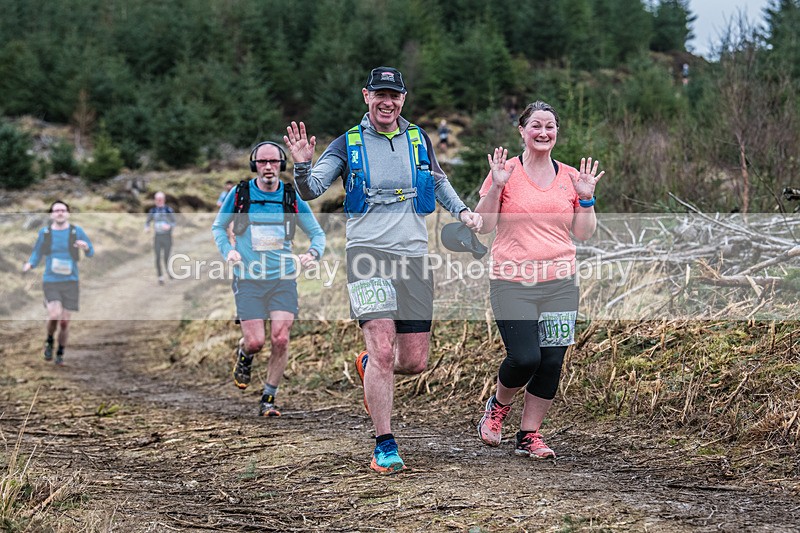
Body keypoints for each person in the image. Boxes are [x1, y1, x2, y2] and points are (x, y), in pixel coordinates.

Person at [284, 66, 482, 474]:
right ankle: (384, 443)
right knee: (383, 349)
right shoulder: (347, 143)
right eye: (380, 94)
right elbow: (310, 189)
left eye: (394, 95)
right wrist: (302, 165)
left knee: (413, 361)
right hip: (367, 256)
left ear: (403, 99)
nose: (387, 102)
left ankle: (369, 367)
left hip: (413, 256)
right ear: (366, 96)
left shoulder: (418, 139)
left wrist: (462, 211)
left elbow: (439, 181)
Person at [474, 100, 605, 459]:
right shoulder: (505, 171)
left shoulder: (569, 177)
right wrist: (497, 188)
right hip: (511, 279)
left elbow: (585, 233)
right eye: (536, 126)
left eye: (550, 126)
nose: (543, 132)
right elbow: (483, 226)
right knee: (525, 357)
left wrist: (587, 198)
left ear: (557, 132)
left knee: (551, 362)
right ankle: (497, 407)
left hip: (560, 282)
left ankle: (529, 435)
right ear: (522, 131)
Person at [212, 140, 326, 417]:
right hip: (248, 278)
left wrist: (312, 254)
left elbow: (317, 234)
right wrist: (229, 252)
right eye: (262, 162)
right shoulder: (240, 194)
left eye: (273, 162)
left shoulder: (290, 196)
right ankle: (244, 354)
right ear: (254, 165)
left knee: (281, 338)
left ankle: (268, 398)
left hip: (283, 279)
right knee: (255, 342)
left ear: (281, 165)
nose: (267, 167)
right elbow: (219, 226)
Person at [22, 201, 94, 365]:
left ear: (68, 213)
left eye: (63, 210)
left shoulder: (76, 231)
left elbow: (91, 251)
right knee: (54, 315)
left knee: (64, 322)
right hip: (51, 280)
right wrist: (30, 264)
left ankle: (60, 352)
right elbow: (37, 252)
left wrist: (86, 248)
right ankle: (49, 340)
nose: (60, 213)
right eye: (56, 210)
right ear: (51, 214)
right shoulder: (45, 233)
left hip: (71, 281)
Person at [144, 191, 177, 285]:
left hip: (167, 237)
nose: (159, 201)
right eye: (157, 199)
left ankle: (169, 271)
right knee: (157, 257)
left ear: (164, 200)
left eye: (160, 199)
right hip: (157, 237)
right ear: (155, 200)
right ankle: (160, 277)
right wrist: (146, 228)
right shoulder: (152, 211)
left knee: (166, 257)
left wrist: (169, 226)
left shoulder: (168, 210)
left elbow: (174, 222)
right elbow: (147, 221)